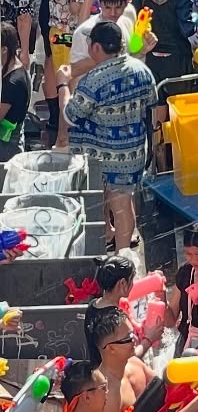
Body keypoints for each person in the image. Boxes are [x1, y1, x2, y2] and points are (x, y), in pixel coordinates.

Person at [56, 21, 153, 251]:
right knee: (123, 203)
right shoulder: (142, 70)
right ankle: (120, 249)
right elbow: (151, 104)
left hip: (101, 156)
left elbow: (70, 115)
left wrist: (63, 85)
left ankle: (114, 251)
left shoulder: (94, 80)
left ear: (97, 47)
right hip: (132, 152)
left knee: (107, 201)